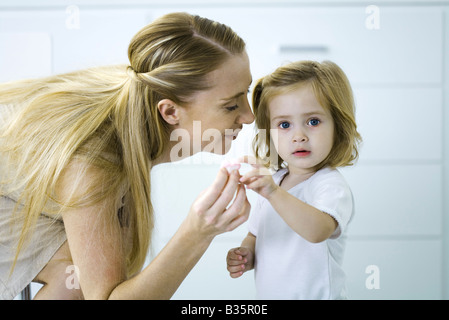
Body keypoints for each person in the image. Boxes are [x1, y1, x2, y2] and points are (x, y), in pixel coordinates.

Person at [0, 12, 254, 300]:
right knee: (73, 277)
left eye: (246, 93)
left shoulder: (135, 96)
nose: (249, 116)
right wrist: (197, 232)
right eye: (231, 105)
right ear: (170, 112)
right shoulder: (93, 164)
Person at [226, 60, 362, 299]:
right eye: (285, 125)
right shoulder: (274, 182)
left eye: (313, 121)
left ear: (337, 126)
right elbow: (256, 234)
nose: (299, 136)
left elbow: (317, 231)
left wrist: (273, 194)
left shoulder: (329, 184)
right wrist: (245, 254)